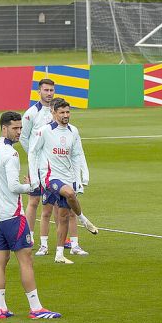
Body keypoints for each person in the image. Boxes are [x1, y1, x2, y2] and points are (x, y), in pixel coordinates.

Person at [0, 112, 62, 320]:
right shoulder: (11, 154)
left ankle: (1, 308)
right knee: (26, 259)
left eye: (20, 128)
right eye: (15, 128)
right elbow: (13, 186)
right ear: (4, 128)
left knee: (0, 261)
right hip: (12, 215)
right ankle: (36, 308)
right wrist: (32, 186)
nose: (19, 132)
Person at [29, 98, 97, 264]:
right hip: (49, 177)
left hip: (68, 177)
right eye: (62, 112)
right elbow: (33, 152)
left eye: (68, 112)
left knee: (64, 215)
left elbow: (76, 155)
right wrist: (34, 177)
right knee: (69, 194)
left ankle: (59, 254)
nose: (66, 115)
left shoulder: (73, 131)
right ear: (54, 113)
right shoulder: (45, 131)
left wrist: (80, 178)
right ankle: (84, 220)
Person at [20, 78, 56, 244]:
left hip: (56, 164)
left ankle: (63, 238)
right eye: (46, 90)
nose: (49, 93)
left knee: (57, 202)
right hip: (36, 165)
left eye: (51, 90)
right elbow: (23, 137)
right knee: (34, 200)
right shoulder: (31, 113)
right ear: (39, 92)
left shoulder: (58, 110)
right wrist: (33, 156)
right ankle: (29, 236)